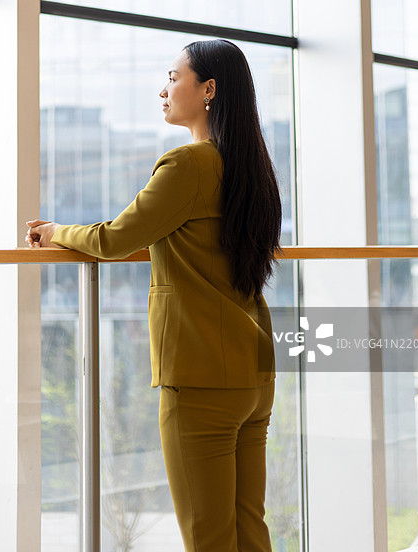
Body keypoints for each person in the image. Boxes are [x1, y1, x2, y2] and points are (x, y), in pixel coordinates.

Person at [26, 38, 281, 552]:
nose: (162, 89)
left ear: (208, 89)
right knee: (248, 528)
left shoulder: (187, 164)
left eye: (172, 77)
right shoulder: (252, 170)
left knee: (208, 537)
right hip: (254, 371)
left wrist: (55, 232)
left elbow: (114, 238)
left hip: (201, 375)